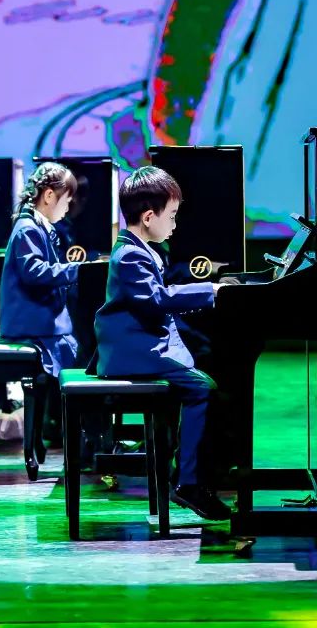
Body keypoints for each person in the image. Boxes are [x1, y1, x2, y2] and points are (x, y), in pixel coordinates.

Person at [93, 165, 231, 521]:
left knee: (204, 368)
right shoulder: (130, 254)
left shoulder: (137, 249)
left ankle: (190, 467)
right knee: (203, 389)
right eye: (172, 215)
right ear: (148, 217)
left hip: (142, 344)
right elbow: (156, 299)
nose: (175, 224)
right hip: (134, 351)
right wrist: (212, 290)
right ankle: (188, 481)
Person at [0, 162, 81, 441]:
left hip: (37, 319)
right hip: (30, 323)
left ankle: (69, 428)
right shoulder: (27, 228)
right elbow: (34, 272)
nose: (68, 208)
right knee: (79, 352)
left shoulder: (36, 227)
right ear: (48, 196)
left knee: (78, 346)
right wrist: (78, 270)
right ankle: (75, 431)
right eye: (66, 201)